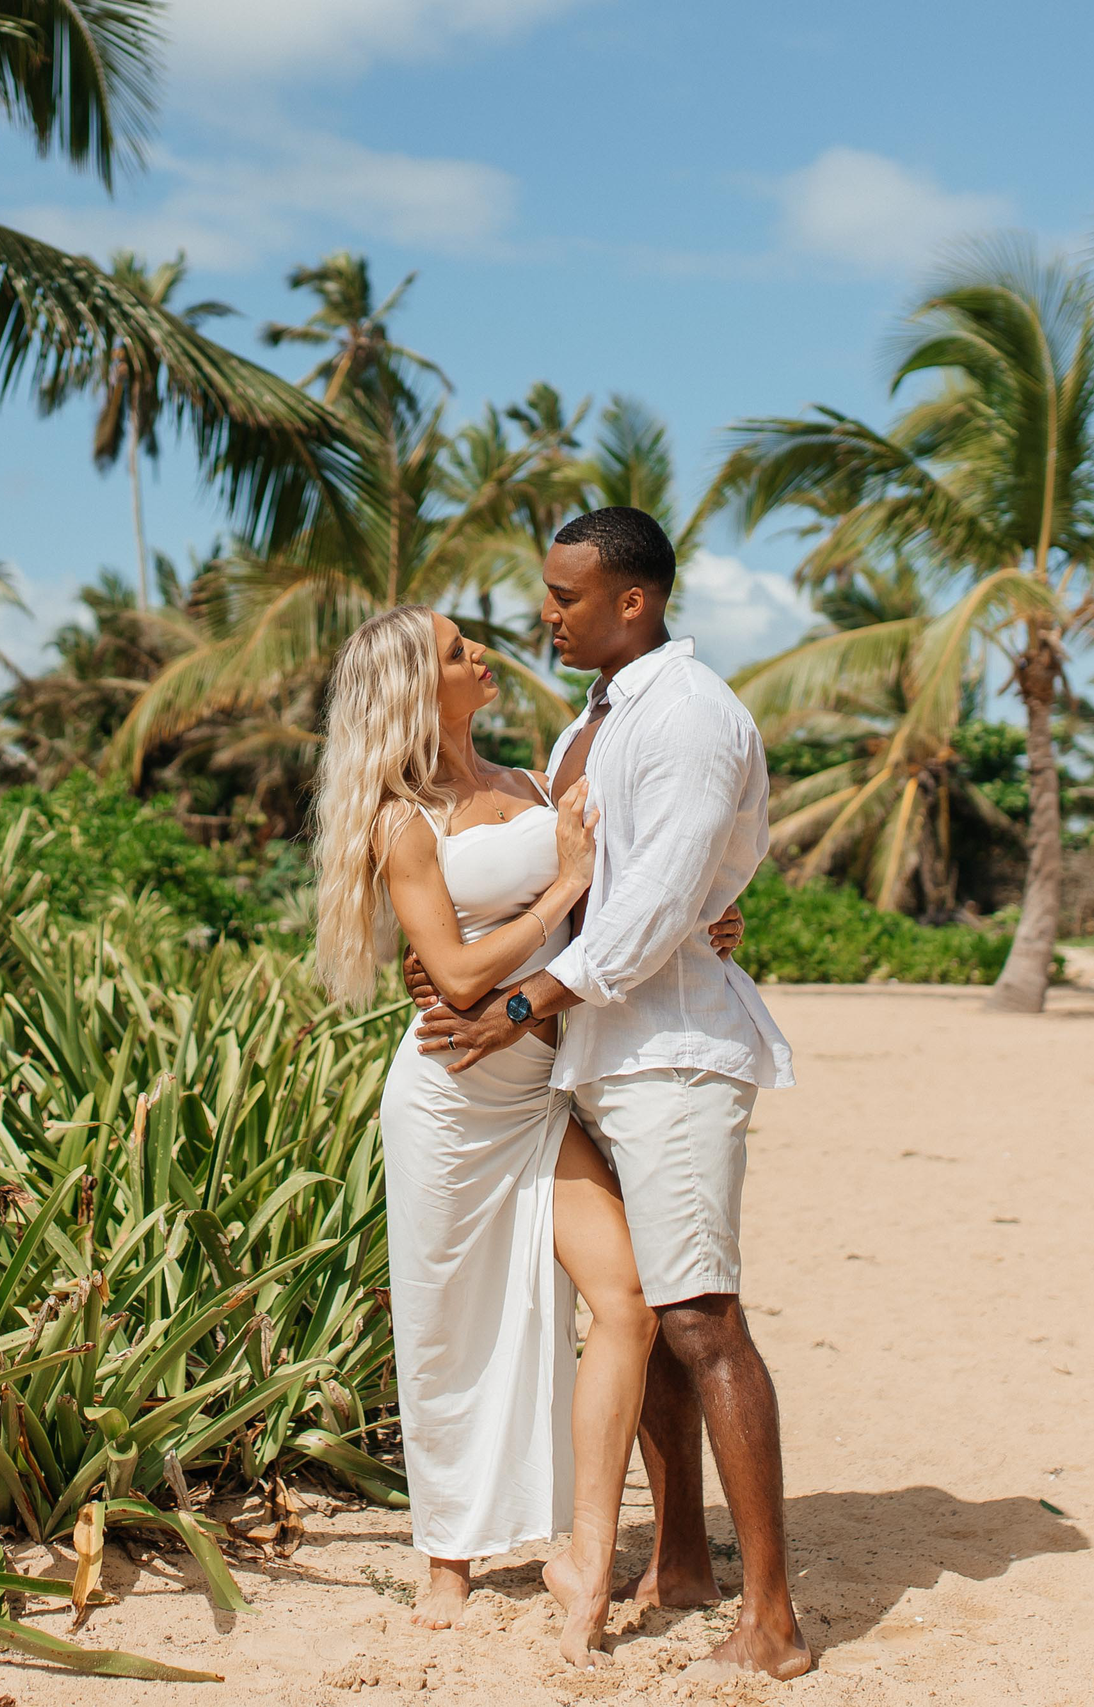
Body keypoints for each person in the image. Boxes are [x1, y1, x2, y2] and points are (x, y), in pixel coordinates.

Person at [412, 506, 812, 1681]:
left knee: (701, 1320)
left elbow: (647, 911)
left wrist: (514, 1008)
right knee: (640, 1312)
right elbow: (606, 886)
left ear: (631, 601)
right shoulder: (588, 721)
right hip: (598, 1056)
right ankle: (680, 1560)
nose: (544, 614)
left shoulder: (685, 714)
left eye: (566, 596)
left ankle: (774, 1622)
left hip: (670, 1054)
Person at [312, 604, 726, 1667]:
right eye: (457, 651)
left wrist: (702, 919)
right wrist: (566, 887)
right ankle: (447, 1555)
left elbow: (638, 885)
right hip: (451, 1099)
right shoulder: (400, 819)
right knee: (448, 1326)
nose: (481, 653)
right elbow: (453, 975)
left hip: (540, 1092)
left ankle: (585, 1551)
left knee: (626, 1302)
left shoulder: (538, 781)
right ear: (415, 687)